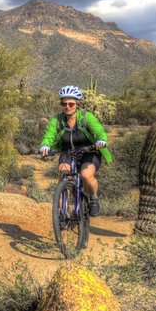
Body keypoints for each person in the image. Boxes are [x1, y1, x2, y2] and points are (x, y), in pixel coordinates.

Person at [39, 85, 112, 216]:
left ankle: (94, 197)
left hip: (89, 152)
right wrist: (45, 145)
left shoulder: (86, 117)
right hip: (68, 152)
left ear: (77, 104)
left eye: (71, 104)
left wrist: (101, 140)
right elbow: (48, 135)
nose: (67, 106)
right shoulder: (57, 120)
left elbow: (99, 131)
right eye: (64, 103)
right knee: (62, 175)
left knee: (85, 175)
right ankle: (62, 213)